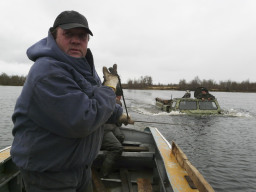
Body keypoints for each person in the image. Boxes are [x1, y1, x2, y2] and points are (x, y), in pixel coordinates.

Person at [10, 10, 133, 192]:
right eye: (68, 34)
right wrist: (109, 88)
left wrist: (118, 114)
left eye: (82, 36)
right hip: (50, 174)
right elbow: (82, 119)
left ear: (87, 41)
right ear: (54, 35)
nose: (76, 40)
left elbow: (93, 97)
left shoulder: (82, 67)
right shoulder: (47, 71)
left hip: (79, 166)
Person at [100, 84, 125, 177]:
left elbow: (117, 123)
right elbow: (118, 123)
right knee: (118, 147)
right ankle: (103, 175)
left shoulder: (105, 99)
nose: (119, 98)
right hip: (102, 129)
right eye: (119, 96)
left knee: (121, 137)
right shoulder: (117, 103)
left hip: (110, 127)